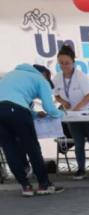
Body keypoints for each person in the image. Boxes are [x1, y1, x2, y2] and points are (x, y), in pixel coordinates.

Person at [0, 64, 64, 196]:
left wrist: (34, 114)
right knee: (32, 148)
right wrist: (62, 114)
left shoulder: (12, 74)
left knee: (9, 150)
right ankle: (44, 185)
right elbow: (50, 108)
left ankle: (25, 186)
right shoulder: (40, 79)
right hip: (17, 111)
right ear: (45, 75)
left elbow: (12, 98)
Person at [53, 44, 89, 180]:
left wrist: (77, 107)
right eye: (61, 63)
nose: (64, 66)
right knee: (78, 142)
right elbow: (56, 95)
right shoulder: (57, 78)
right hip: (72, 115)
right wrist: (63, 102)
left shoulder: (81, 76)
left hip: (88, 112)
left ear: (73, 62)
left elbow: (88, 95)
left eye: (67, 63)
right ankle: (81, 169)